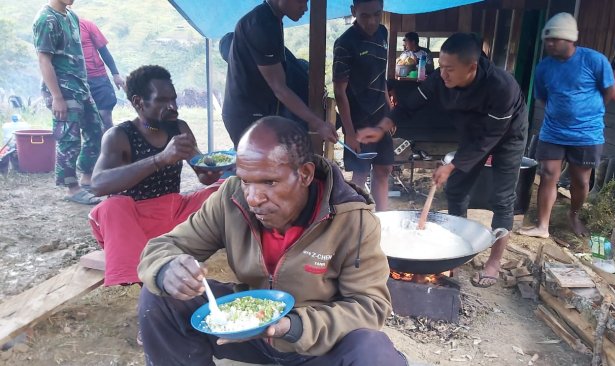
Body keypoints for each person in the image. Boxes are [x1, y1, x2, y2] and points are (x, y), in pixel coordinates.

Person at [136, 116, 407, 366]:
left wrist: (292, 327)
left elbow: (369, 306)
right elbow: (164, 246)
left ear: (305, 175)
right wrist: (167, 268)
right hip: (249, 329)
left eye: (269, 182)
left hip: (315, 344)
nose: (253, 197)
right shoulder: (231, 198)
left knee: (373, 351)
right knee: (159, 296)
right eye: (245, 181)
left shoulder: (352, 220)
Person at [358, 33, 528, 288]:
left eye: (449, 69)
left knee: (502, 199)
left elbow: (488, 138)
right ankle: (456, 251)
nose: (442, 74)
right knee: (457, 189)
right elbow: (409, 104)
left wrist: (452, 164)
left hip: (507, 135)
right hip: (472, 133)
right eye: (441, 67)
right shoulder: (441, 78)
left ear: (471, 67)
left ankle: (494, 262)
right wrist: (383, 127)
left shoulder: (501, 87)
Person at [88, 65, 223, 287]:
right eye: (162, 100)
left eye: (174, 99)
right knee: (111, 208)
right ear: (138, 102)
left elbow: (204, 177)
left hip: (175, 213)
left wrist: (212, 170)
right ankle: (145, 275)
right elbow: (98, 185)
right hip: (136, 222)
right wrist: (160, 159)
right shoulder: (119, 135)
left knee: (225, 188)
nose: (173, 107)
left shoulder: (179, 128)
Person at [518, 13, 615, 239]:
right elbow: (542, 96)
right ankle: (543, 226)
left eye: (555, 40)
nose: (549, 44)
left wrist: (588, 111)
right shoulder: (544, 67)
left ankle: (574, 213)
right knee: (548, 173)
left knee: (580, 180)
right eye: (547, 40)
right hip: (553, 131)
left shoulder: (594, 60)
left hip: (587, 133)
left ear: (571, 39)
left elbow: (610, 92)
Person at [222, 0, 338, 147]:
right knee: (258, 166)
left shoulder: (272, 19)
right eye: (301, 1)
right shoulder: (260, 24)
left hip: (259, 111)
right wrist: (318, 124)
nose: (305, 8)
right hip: (246, 115)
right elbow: (279, 88)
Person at [33, 0, 104, 205]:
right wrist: (56, 97)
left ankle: (87, 177)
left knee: (96, 129)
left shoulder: (70, 15)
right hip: (62, 88)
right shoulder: (47, 19)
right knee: (69, 138)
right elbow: (43, 60)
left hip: (80, 86)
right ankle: (72, 188)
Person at [333, 0, 392, 211]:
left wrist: (389, 110)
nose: (372, 21)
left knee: (384, 169)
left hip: (380, 115)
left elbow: (381, 76)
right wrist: (349, 132)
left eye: (377, 14)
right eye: (365, 16)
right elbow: (339, 91)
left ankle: (384, 220)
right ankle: (357, 219)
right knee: (360, 173)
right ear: (353, 12)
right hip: (358, 119)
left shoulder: (383, 33)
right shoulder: (344, 43)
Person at [79, 17, 126, 130]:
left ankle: (109, 146)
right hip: (76, 81)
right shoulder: (59, 28)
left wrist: (115, 74)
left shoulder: (87, 25)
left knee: (105, 118)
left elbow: (104, 51)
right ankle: (92, 146)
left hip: (98, 78)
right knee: (86, 121)